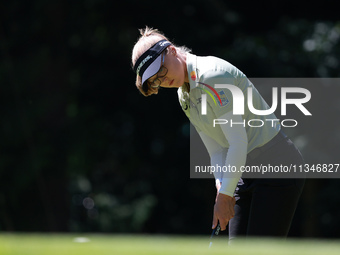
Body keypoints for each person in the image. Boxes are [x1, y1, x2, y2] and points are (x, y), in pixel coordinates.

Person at [131, 27, 305, 241]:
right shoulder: (184, 95)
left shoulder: (213, 75)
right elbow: (215, 148)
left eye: (162, 70)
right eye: (155, 80)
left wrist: (224, 197)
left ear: (172, 51)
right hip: (244, 171)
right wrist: (222, 184)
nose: (162, 80)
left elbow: (237, 142)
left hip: (277, 165)